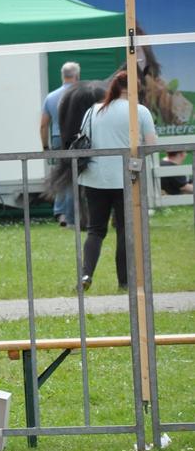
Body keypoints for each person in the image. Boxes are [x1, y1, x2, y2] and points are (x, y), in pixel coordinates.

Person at [77, 71, 158, 292]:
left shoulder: (93, 111)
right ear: (135, 89)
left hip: (94, 178)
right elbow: (151, 146)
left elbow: (83, 139)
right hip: (126, 178)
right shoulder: (140, 111)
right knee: (124, 230)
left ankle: (86, 274)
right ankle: (124, 281)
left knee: (95, 230)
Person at [42, 62, 80, 226]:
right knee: (74, 177)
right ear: (77, 75)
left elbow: (43, 125)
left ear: (62, 76)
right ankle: (70, 216)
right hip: (76, 138)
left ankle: (60, 212)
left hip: (57, 138)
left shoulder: (51, 97)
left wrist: (45, 147)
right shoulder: (80, 94)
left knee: (61, 175)